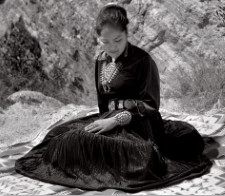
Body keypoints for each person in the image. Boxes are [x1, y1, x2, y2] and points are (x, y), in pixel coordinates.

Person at [15, 4, 212, 193]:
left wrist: (116, 120)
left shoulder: (143, 61)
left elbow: (151, 106)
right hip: (110, 120)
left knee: (101, 148)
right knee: (57, 136)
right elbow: (102, 100)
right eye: (105, 42)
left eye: (118, 40)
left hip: (139, 125)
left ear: (127, 34)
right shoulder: (101, 60)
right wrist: (105, 123)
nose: (112, 47)